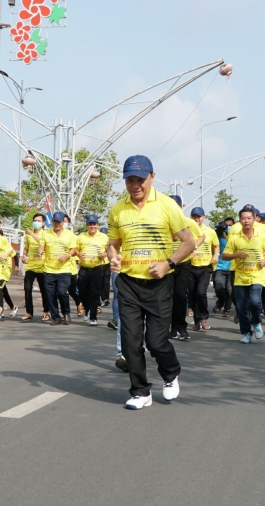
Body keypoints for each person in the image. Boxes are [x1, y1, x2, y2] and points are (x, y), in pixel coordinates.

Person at [107, 155, 195, 410]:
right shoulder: (117, 209)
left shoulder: (168, 206)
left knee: (156, 342)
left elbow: (188, 242)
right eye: (130, 180)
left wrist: (168, 263)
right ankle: (140, 391)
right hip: (127, 283)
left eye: (140, 179)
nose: (135, 185)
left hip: (159, 284)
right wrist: (113, 258)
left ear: (152, 177)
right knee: (130, 341)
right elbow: (112, 244)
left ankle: (170, 374)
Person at [222, 206, 265, 343]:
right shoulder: (234, 237)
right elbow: (225, 255)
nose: (246, 221)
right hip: (240, 276)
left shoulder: (261, 236)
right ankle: (245, 333)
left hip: (257, 275)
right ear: (240, 220)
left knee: (255, 302)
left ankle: (256, 322)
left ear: (254, 219)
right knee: (241, 307)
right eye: (243, 218)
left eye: (249, 218)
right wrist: (237, 255)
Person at [167, 195, 203, 340]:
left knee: (180, 296)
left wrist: (193, 246)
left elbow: (201, 236)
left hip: (183, 264)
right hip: (166, 265)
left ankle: (181, 328)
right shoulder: (163, 222)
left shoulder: (189, 222)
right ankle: (171, 328)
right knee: (167, 298)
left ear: (181, 207)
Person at [39, 211, 78, 325]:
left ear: (62, 222)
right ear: (52, 221)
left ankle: (66, 313)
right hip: (48, 270)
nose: (57, 224)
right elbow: (42, 246)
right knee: (50, 295)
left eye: (59, 221)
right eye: (55, 221)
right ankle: (56, 317)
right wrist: (40, 250)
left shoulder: (70, 234)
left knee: (62, 292)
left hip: (64, 269)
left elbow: (74, 249)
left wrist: (68, 255)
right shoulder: (46, 234)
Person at [187, 207, 219, 331]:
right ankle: (197, 321)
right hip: (190, 267)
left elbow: (215, 246)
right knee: (193, 294)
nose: (196, 219)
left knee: (201, 293)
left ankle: (204, 318)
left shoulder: (210, 231)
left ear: (204, 218)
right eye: (194, 216)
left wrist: (216, 255)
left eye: (199, 216)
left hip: (205, 267)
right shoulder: (188, 230)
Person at [76, 214, 108, 326]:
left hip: (97, 268)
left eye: (94, 224)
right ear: (86, 226)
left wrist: (105, 254)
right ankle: (87, 308)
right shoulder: (81, 237)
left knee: (94, 294)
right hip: (84, 268)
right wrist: (79, 254)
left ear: (97, 225)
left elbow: (110, 249)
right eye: (90, 224)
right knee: (81, 292)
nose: (92, 226)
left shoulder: (104, 237)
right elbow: (75, 249)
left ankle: (93, 317)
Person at [21, 213, 50, 322]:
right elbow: (26, 248)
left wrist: (31, 234)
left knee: (44, 290)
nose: (36, 222)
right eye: (35, 220)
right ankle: (29, 312)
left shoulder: (46, 234)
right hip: (31, 266)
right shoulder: (29, 235)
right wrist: (24, 255)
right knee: (27, 289)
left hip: (42, 266)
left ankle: (46, 312)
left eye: (38, 221)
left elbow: (44, 244)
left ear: (43, 223)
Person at [0, 219, 17, 321]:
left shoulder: (2, 239)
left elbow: (11, 250)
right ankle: (5, 307)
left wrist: (4, 255)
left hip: (1, 270)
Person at [212, 223, 233, 317]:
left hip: (231, 267)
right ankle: (221, 301)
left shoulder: (232, 238)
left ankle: (227, 309)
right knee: (219, 287)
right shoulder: (217, 239)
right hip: (219, 267)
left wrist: (227, 236)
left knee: (229, 290)